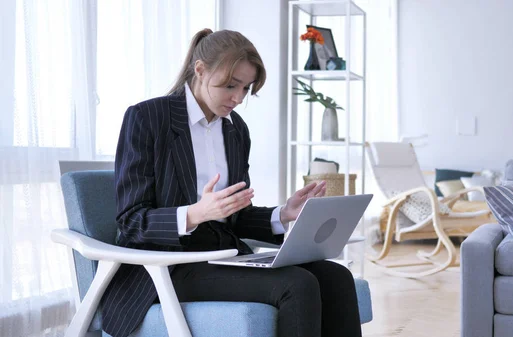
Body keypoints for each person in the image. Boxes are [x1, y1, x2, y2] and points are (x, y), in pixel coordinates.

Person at [101, 28, 362, 337]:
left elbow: (234, 218)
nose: (238, 98)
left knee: (337, 277)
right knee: (298, 284)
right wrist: (195, 214)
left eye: (246, 88)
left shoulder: (235, 130)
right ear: (200, 70)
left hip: (225, 257)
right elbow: (131, 221)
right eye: (230, 85)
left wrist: (285, 213)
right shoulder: (148, 118)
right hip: (168, 265)